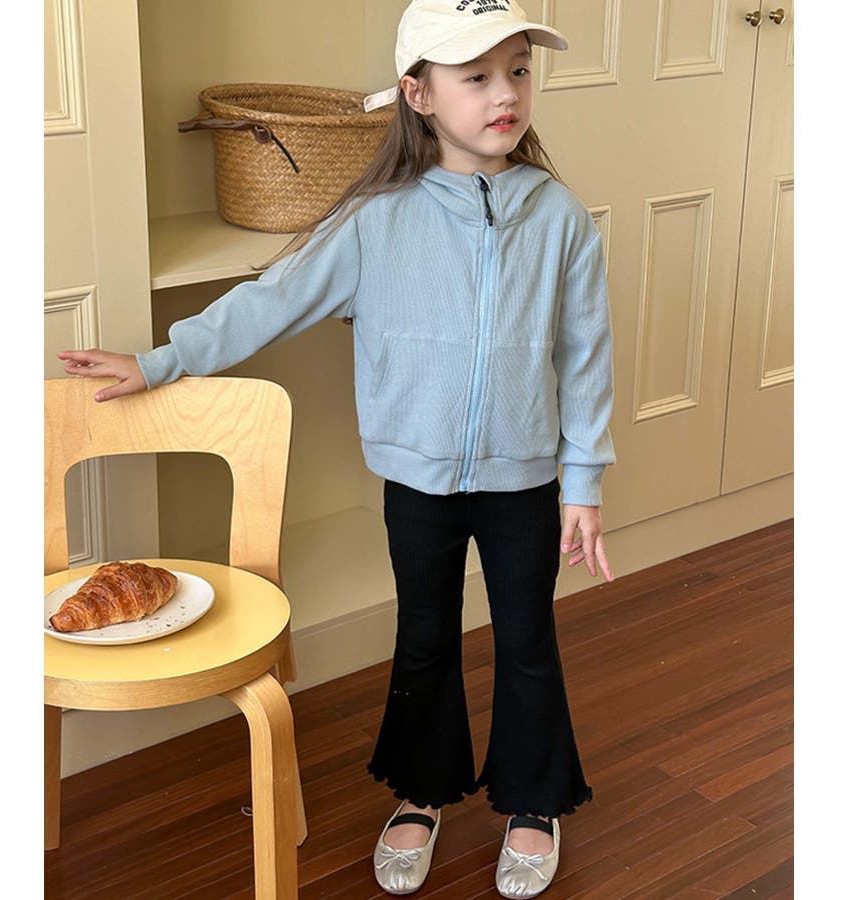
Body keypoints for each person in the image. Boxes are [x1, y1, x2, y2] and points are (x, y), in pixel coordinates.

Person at [58, 1, 617, 895]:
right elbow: (270, 300)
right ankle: (423, 791)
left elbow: (584, 354)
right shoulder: (374, 221)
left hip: (524, 480)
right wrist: (160, 360)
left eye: (517, 70)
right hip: (414, 480)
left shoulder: (560, 219)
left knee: (528, 639)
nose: (504, 94)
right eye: (475, 77)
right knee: (425, 637)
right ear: (418, 94)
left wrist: (582, 480)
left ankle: (531, 801)